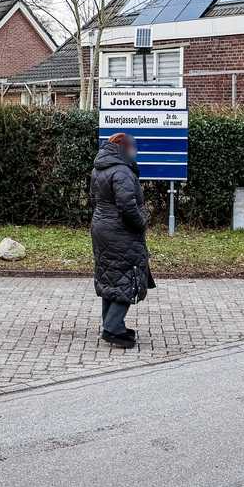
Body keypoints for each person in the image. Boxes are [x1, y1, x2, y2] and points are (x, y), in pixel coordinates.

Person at [90, 132, 154, 349]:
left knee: (110, 275)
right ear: (123, 148)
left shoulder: (99, 168)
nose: (134, 151)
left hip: (101, 226)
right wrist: (141, 221)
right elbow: (127, 205)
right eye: (132, 147)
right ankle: (113, 329)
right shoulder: (122, 170)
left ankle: (112, 322)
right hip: (120, 229)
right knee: (128, 274)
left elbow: (94, 198)